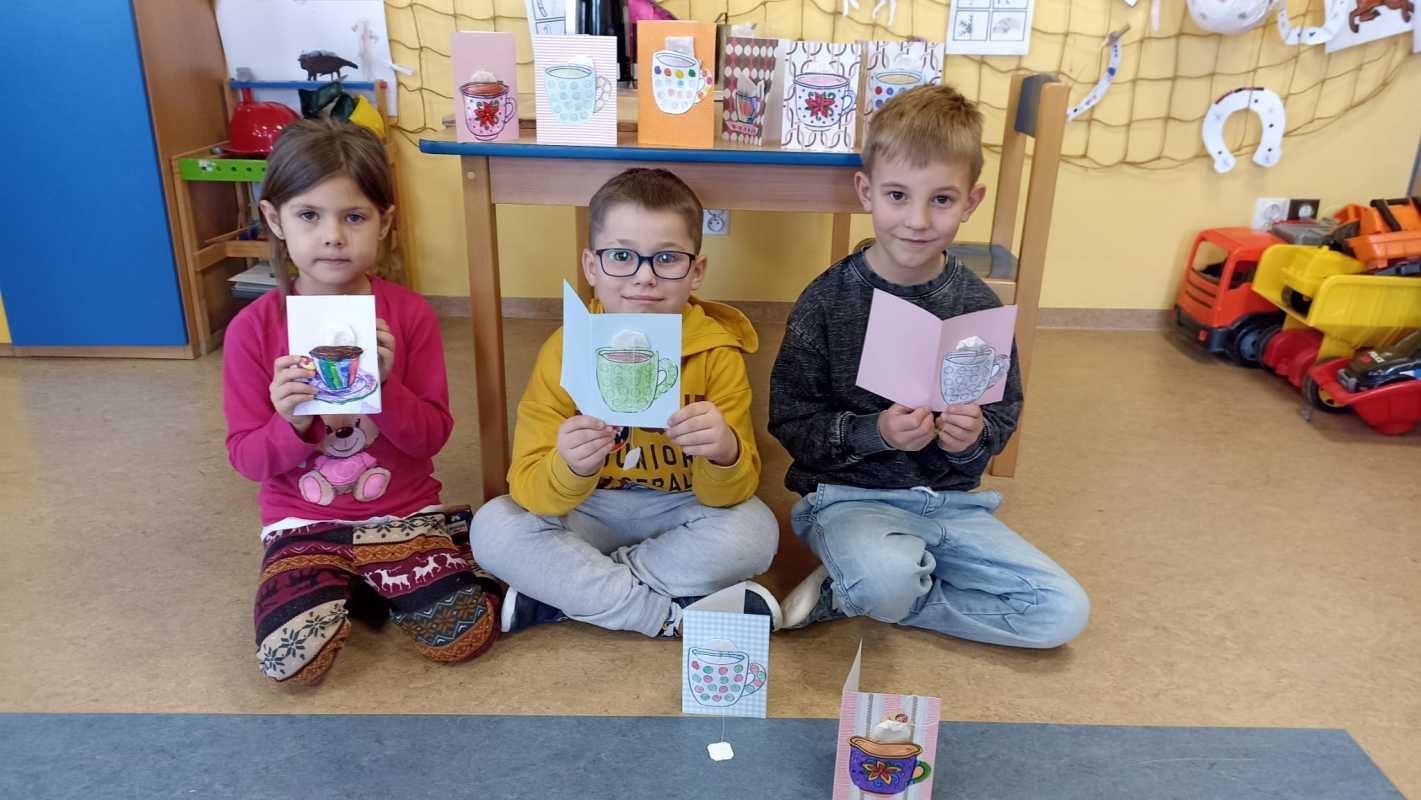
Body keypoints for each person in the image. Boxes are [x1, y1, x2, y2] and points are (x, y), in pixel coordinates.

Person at [769, 85, 1089, 648]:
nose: (917, 220)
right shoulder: (826, 301)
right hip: (849, 500)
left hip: (953, 506)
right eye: (897, 195)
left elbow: (1001, 417)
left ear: (971, 202)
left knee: (1062, 613)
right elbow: (791, 423)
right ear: (866, 192)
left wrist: (970, 440)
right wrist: (876, 432)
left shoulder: (978, 304)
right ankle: (878, 583)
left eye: (941, 199)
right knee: (886, 580)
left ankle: (856, 590)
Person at [223, 118, 499, 684]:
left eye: (354, 217)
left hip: (402, 514)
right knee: (288, 663)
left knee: (464, 636)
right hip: (302, 523)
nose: (332, 236)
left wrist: (387, 389)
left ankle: (400, 563)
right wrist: (289, 422)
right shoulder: (252, 329)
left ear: (385, 222)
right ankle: (359, 579)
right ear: (274, 219)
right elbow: (247, 459)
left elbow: (431, 437)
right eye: (309, 215)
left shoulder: (410, 316)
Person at [471, 168, 781, 637]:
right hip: (588, 509)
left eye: (667, 258)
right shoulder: (564, 349)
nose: (644, 277)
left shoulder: (718, 353)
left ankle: (568, 595)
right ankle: (666, 615)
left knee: (757, 531)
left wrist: (725, 452)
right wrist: (570, 466)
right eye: (621, 256)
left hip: (681, 509)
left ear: (696, 271)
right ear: (591, 266)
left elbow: (731, 493)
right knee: (494, 527)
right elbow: (530, 488)